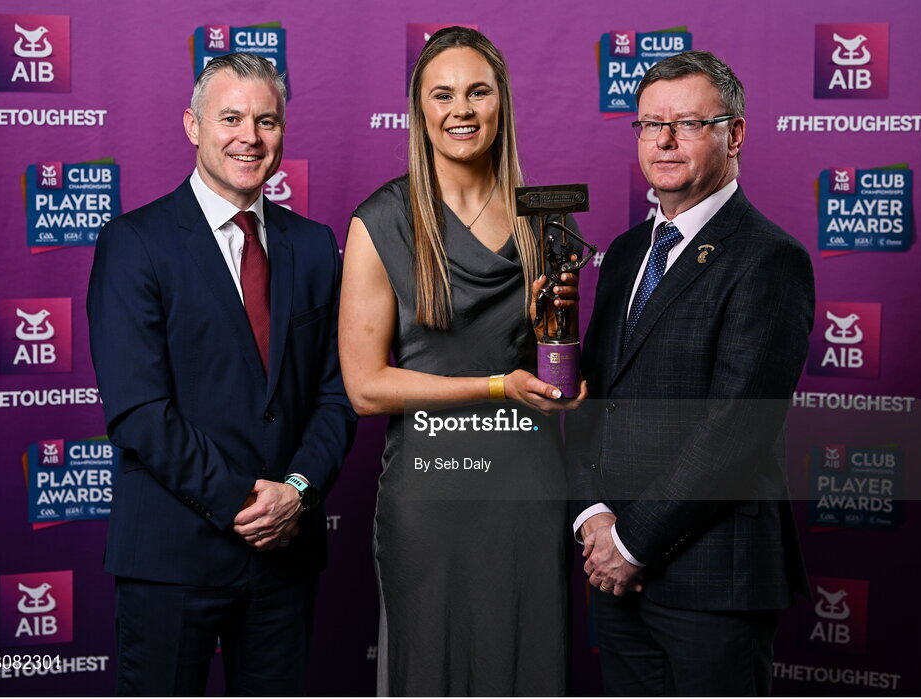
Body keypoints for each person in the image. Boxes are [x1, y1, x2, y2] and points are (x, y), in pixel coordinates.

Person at [87, 52, 356, 696]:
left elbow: (337, 391)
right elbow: (137, 410)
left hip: (284, 557)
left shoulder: (315, 245)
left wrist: (295, 490)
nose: (250, 137)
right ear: (192, 126)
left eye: (267, 121)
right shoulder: (135, 242)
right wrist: (243, 500)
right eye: (231, 118)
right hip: (172, 554)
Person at [339, 26, 582, 696]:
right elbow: (363, 386)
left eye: (478, 90)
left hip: (528, 487)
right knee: (432, 668)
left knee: (528, 663)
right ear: (420, 110)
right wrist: (499, 384)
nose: (461, 109)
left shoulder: (545, 221)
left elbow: (559, 377)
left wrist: (553, 336)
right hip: (433, 483)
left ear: (502, 101)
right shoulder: (382, 220)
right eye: (442, 94)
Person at [571, 50, 814, 696]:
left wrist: (631, 544)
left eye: (687, 123)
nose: (665, 141)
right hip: (617, 577)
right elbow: (593, 399)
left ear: (734, 133)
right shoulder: (623, 254)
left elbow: (734, 430)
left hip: (713, 582)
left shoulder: (770, 259)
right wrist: (592, 514)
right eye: (651, 124)